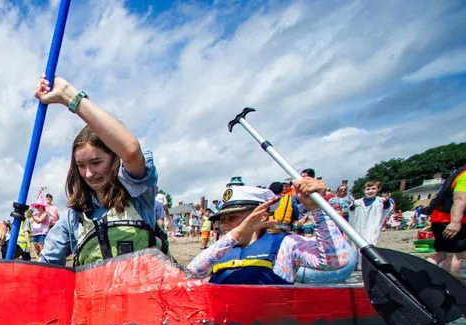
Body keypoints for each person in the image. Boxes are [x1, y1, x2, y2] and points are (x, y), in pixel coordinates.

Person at [34, 76, 166, 266]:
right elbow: (47, 265)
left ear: (114, 158)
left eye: (96, 162)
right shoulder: (73, 218)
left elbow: (130, 150)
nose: (88, 173)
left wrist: (68, 96)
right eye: (81, 165)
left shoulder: (139, 195)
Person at [186, 179, 348, 285]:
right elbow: (190, 274)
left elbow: (334, 262)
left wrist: (316, 210)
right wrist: (236, 234)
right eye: (222, 219)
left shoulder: (285, 244)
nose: (224, 224)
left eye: (232, 217)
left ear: (262, 216)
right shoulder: (219, 251)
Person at [426, 165, 466, 275]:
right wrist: (455, 222)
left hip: (439, 219)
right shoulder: (465, 176)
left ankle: (422, 275)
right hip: (453, 221)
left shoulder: (459, 173)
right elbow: (460, 199)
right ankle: (449, 285)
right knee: (456, 255)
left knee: (441, 254)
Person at [348, 180, 392, 246]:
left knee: (370, 243)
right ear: (364, 191)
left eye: (373, 189)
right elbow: (351, 211)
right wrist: (352, 207)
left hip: (372, 227)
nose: (370, 191)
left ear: (378, 190)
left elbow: (386, 209)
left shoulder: (380, 201)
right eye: (368, 189)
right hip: (359, 227)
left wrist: (386, 203)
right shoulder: (358, 202)